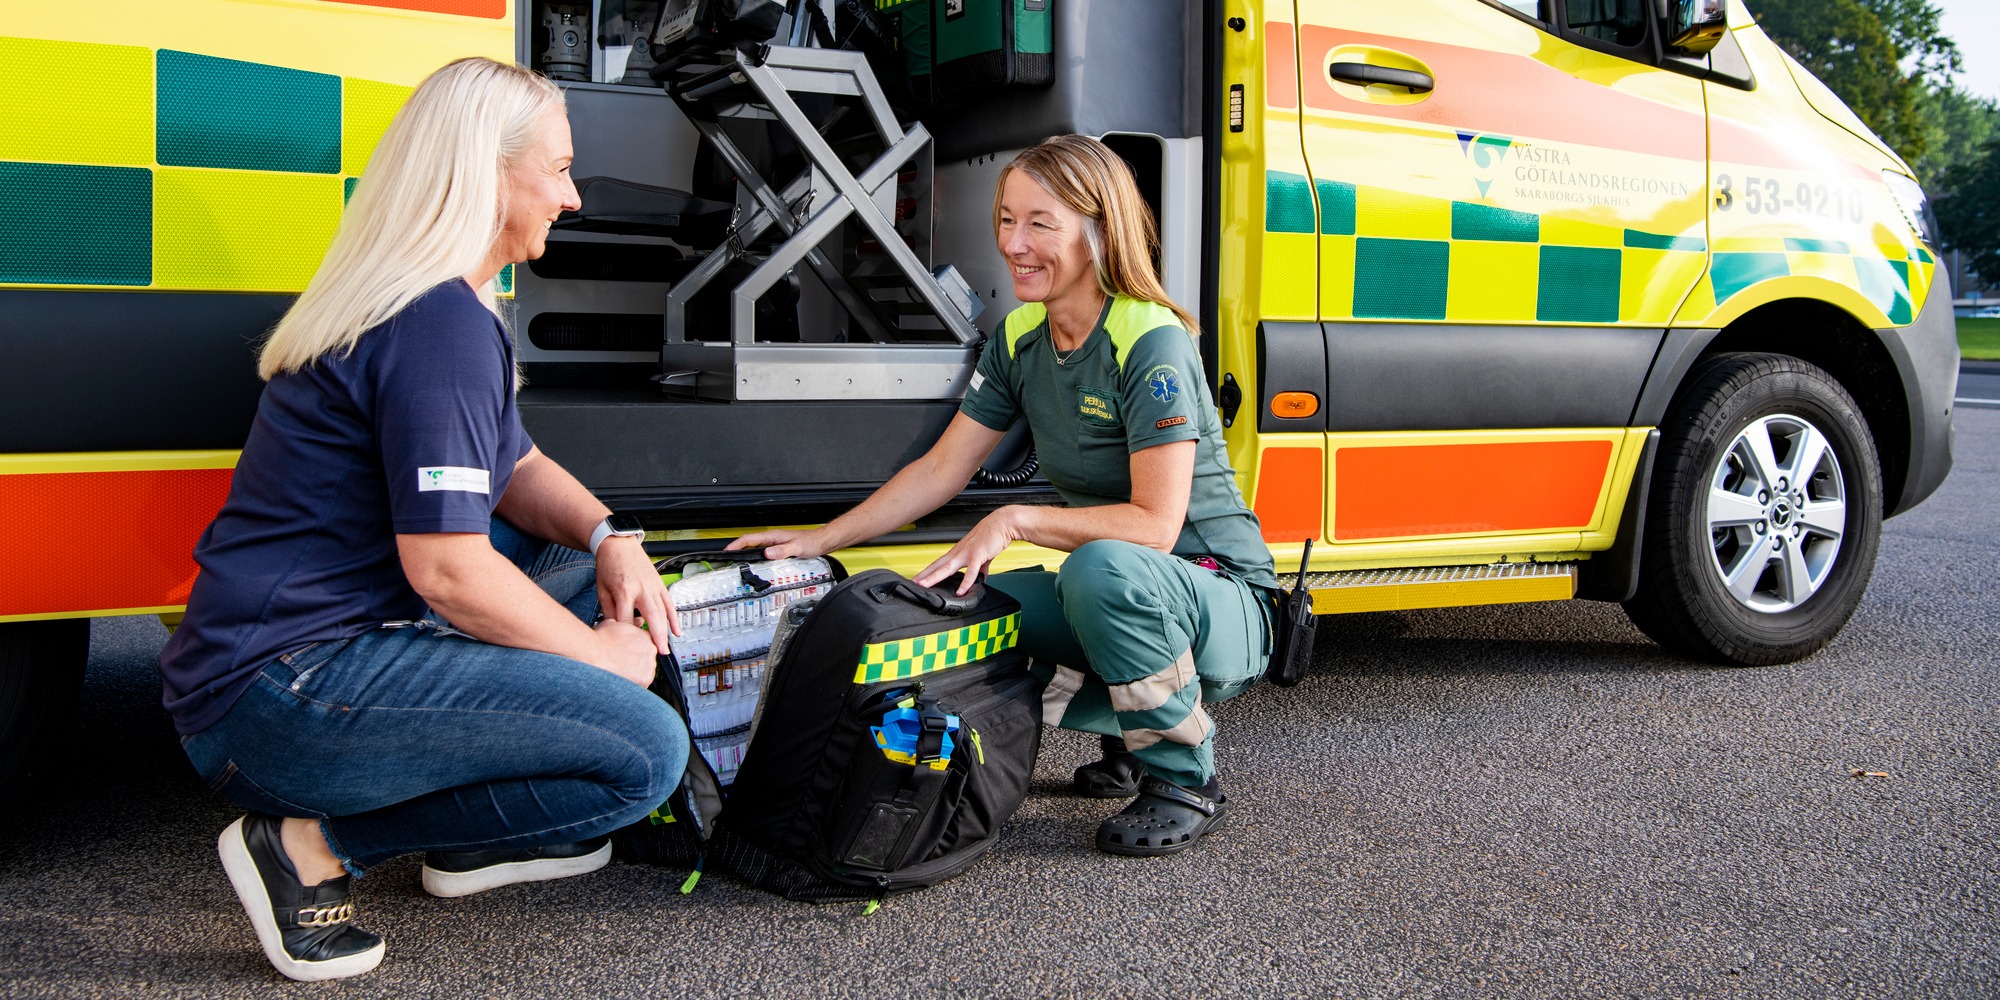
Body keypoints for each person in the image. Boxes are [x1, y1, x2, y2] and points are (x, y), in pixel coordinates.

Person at [158, 57, 689, 982]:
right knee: (644, 752)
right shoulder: (436, 323)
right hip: (282, 692)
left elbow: (513, 463)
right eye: (558, 171)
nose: (570, 198)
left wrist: (611, 537)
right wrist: (604, 659)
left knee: (563, 563)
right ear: (488, 173)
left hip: (264, 665)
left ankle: (473, 833)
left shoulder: (429, 299)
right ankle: (311, 845)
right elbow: (446, 569)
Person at [731, 134, 1278, 857]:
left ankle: (1182, 775)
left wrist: (1015, 517)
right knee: (972, 604)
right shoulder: (1021, 336)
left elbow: (1154, 525)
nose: (1013, 244)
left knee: (1099, 571)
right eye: (1006, 219)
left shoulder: (1150, 342)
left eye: (1039, 223)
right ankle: (1127, 725)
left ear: (1099, 231)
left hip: (1224, 600)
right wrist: (822, 538)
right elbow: (940, 470)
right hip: (1132, 587)